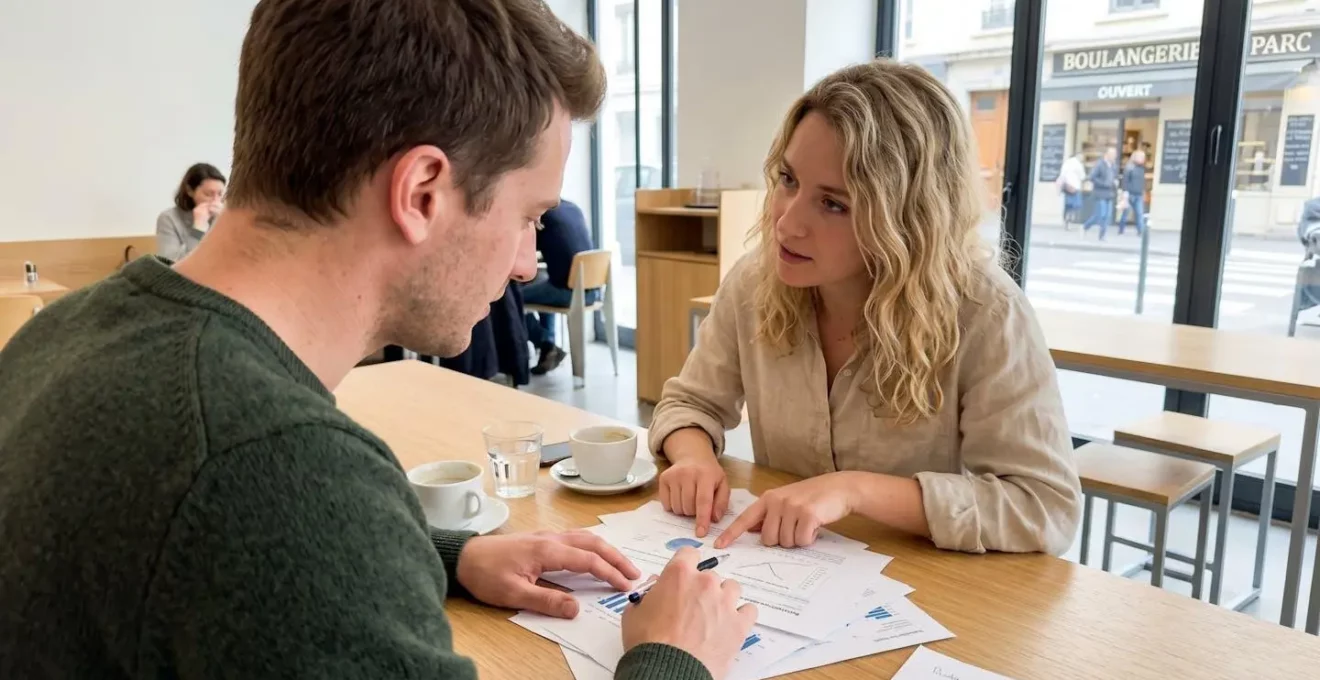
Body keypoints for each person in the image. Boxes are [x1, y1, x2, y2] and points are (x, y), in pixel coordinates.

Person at [0, 2, 756, 679]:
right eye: (529, 215)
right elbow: (278, 520)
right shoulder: (283, 473)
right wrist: (672, 663)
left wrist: (446, 553)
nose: (529, 260)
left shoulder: (69, 330)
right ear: (422, 192)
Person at [648, 60, 1081, 556]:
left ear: (908, 218)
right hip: (783, 575)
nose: (787, 224)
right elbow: (690, 404)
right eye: (788, 179)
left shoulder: (986, 312)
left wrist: (856, 491)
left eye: (833, 204)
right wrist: (693, 458)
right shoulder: (754, 282)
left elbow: (1044, 507)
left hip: (927, 588)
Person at [523, 198, 597, 374]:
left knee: (510, 298)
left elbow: (526, 248)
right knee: (544, 281)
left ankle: (546, 343)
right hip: (592, 289)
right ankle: (549, 350)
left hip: (567, 292)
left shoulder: (542, 213)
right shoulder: (573, 208)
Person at [156, 162, 226, 260]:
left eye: (220, 194)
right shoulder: (168, 218)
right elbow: (169, 264)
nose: (216, 201)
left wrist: (225, 222)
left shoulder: (225, 215)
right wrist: (198, 229)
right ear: (189, 191)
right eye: (208, 194)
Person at [1082, 147, 1118, 241]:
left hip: (1109, 194)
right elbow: (1092, 177)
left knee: (1107, 215)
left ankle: (1102, 235)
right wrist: (1103, 183)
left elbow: (1114, 177)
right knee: (1100, 215)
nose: (1114, 156)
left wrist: (1115, 182)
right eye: (1112, 154)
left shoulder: (1113, 166)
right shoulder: (1100, 164)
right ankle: (1086, 226)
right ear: (1107, 155)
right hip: (1100, 193)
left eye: (1115, 154)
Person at [1116, 149, 1148, 236]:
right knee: (1125, 213)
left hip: (1138, 194)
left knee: (1139, 213)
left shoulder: (1142, 168)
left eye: (1143, 157)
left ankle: (1140, 231)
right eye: (1141, 157)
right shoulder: (1129, 167)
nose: (1142, 159)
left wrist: (1143, 191)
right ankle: (1121, 229)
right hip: (1130, 193)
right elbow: (1125, 181)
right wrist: (1125, 193)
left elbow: (1142, 181)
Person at [1055, 151, 1086, 230]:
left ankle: (1067, 220)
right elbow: (1082, 176)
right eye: (1082, 157)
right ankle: (1070, 218)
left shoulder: (1067, 162)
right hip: (1075, 187)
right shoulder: (1078, 164)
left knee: (1068, 205)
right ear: (1079, 156)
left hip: (1067, 187)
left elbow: (1062, 174)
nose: (1082, 158)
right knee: (1076, 205)